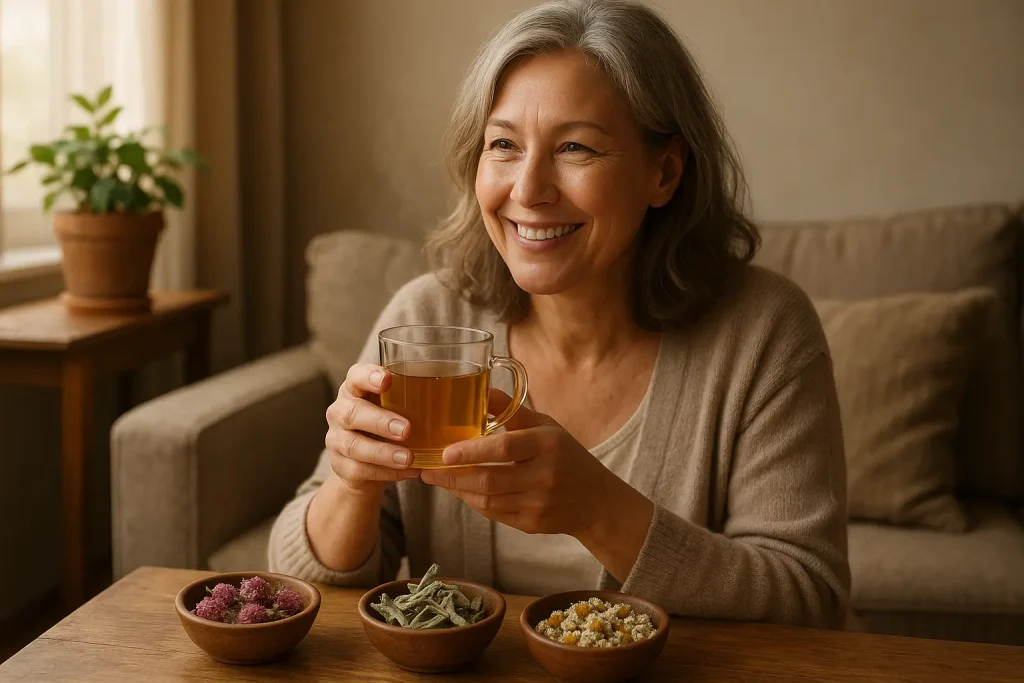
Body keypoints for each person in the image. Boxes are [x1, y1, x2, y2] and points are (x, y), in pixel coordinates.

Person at [269, 0, 850, 628]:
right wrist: (352, 484)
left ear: (665, 172)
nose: (528, 190)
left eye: (575, 147)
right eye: (504, 145)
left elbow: (807, 598)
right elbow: (297, 580)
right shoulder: (428, 316)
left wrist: (598, 510)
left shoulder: (763, 331)